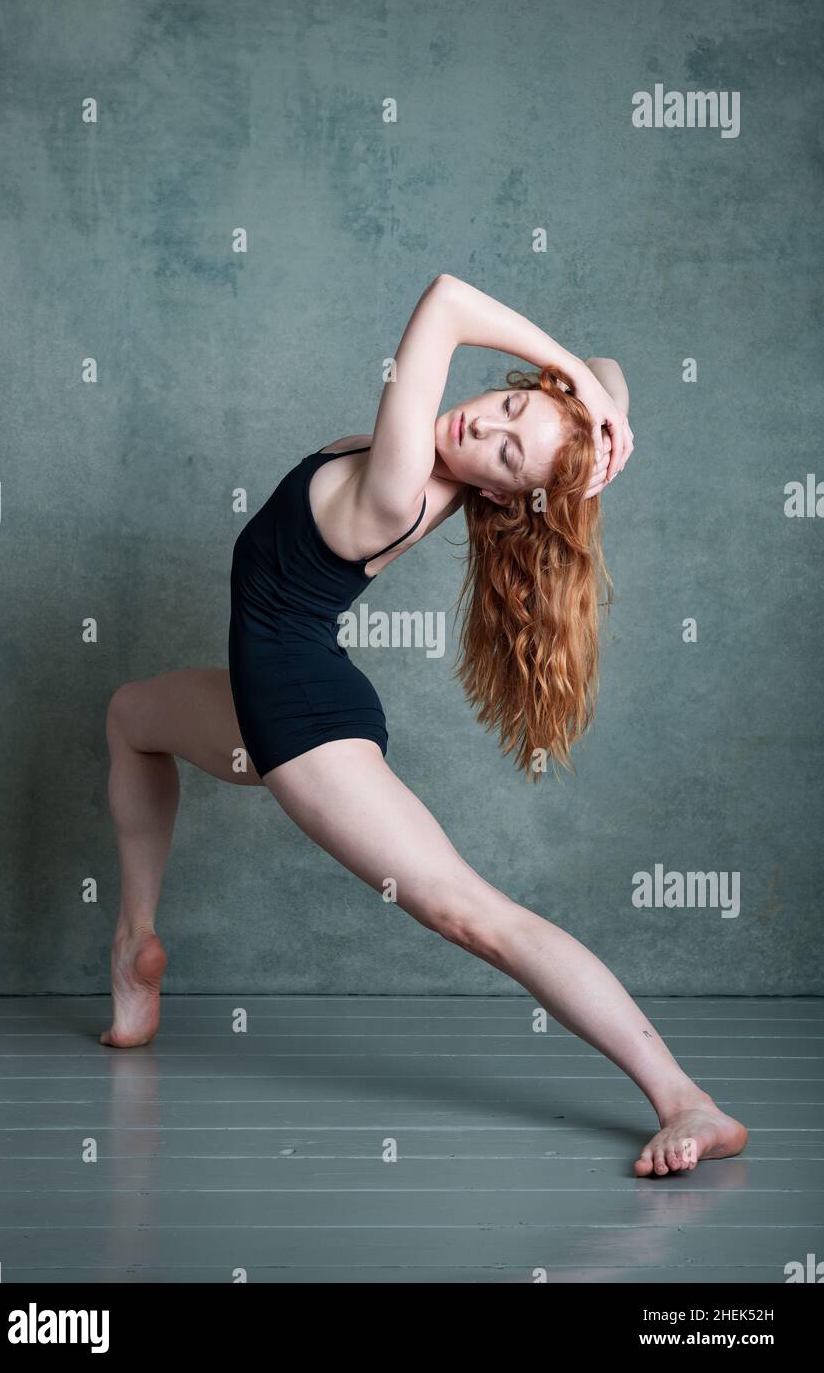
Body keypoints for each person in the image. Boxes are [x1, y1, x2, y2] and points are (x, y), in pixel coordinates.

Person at [102, 274, 748, 1178]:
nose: (483, 427)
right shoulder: (452, 462)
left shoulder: (404, 474)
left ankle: (688, 1100)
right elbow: (601, 373)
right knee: (131, 716)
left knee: (475, 915)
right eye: (510, 404)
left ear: (503, 497)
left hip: (304, 725)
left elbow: (445, 299)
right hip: (271, 693)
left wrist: (563, 377)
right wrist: (591, 400)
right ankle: (136, 946)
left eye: (511, 454)